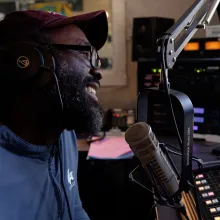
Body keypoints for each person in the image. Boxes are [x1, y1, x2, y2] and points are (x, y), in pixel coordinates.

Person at [0, 9, 108, 220]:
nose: (98, 71)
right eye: (85, 53)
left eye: (97, 58)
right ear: (27, 63)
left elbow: (74, 208)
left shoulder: (62, 133)